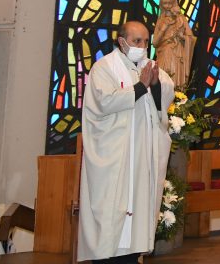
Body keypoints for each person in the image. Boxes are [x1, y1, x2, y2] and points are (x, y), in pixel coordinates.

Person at [78, 21, 174, 264]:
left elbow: (166, 96)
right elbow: (105, 102)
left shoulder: (150, 67)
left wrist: (154, 85)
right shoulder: (104, 68)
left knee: (138, 220)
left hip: (140, 157)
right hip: (114, 157)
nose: (142, 47)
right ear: (122, 42)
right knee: (110, 218)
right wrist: (141, 85)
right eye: (136, 41)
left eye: (145, 41)